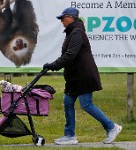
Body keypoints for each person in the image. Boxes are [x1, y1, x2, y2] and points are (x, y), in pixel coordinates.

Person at [43, 7, 122, 145]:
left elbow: (70, 55)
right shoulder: (71, 33)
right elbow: (68, 56)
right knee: (68, 102)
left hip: (83, 76)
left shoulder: (77, 33)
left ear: (71, 17)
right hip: (74, 77)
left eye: (63, 17)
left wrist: (54, 65)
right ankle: (69, 136)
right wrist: (54, 65)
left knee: (86, 104)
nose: (61, 21)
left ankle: (111, 127)